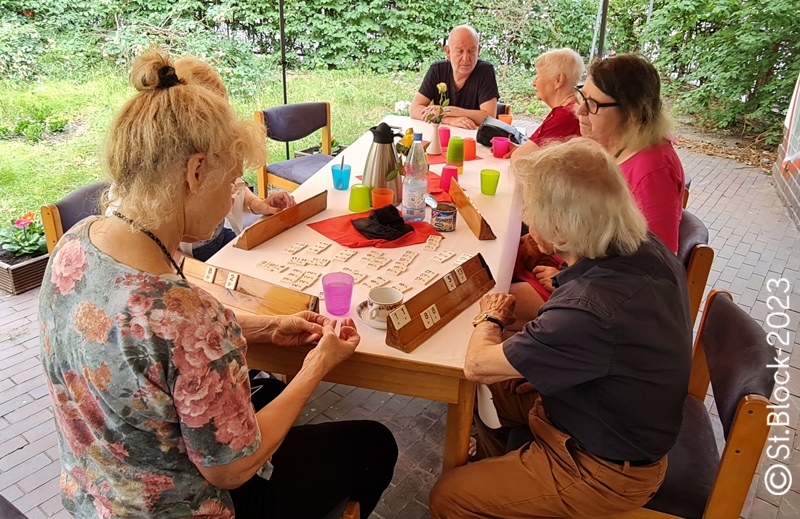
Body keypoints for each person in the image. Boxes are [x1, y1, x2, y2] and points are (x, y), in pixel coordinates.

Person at [39, 51, 397, 519]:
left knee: (265, 398)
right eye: (231, 181)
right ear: (194, 173)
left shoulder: (75, 244)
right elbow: (231, 469)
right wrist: (316, 367)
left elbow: (156, 346)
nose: (235, 194)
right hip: (185, 507)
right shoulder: (185, 314)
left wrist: (265, 328)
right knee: (374, 444)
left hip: (95, 495)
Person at [429, 138, 692, 518]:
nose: (527, 219)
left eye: (529, 211)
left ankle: (498, 495)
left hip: (605, 468)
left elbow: (477, 364)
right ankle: (501, 474)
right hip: (604, 414)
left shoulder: (590, 308)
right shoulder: (643, 246)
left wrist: (491, 316)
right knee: (483, 391)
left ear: (559, 228)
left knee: (450, 497)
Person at [516, 53, 686, 316]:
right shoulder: (619, 146)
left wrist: (567, 277)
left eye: (592, 104)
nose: (578, 110)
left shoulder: (653, 169)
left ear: (631, 113)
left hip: (597, 296)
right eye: (582, 96)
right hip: (577, 271)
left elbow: (653, 266)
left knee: (492, 298)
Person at [173, 56, 297, 261]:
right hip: (189, 261)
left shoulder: (214, 145)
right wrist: (196, 272)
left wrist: (257, 204)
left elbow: (233, 183)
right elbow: (156, 249)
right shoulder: (163, 174)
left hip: (219, 240)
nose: (229, 204)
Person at [410, 25, 499, 129]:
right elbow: (414, 109)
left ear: (478, 50)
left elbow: (489, 117)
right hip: (440, 135)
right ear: (448, 52)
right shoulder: (437, 69)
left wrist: (446, 111)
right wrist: (448, 120)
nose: (466, 58)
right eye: (459, 51)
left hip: (472, 137)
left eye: (471, 51)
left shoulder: (485, 71)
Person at [508, 48, 584, 159]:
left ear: (558, 80)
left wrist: (520, 152)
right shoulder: (572, 108)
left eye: (538, 76)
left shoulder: (565, 115)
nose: (534, 83)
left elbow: (521, 159)